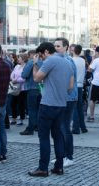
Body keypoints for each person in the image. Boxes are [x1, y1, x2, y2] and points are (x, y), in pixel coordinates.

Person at [28, 42, 73, 177]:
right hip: (61, 104)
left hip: (48, 104)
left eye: (41, 56)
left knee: (44, 137)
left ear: (46, 52)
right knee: (58, 136)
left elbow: (36, 78)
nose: (41, 58)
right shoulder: (67, 62)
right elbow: (70, 87)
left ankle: (43, 168)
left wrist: (35, 64)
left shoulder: (50, 61)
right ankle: (59, 167)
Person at [55, 38, 78, 167]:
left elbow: (69, 81)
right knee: (60, 127)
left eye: (58, 46)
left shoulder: (67, 61)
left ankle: (68, 156)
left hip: (68, 98)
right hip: (63, 97)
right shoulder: (61, 60)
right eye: (55, 46)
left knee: (65, 127)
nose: (56, 48)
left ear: (66, 47)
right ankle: (62, 155)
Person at [20, 50, 41, 136]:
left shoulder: (30, 62)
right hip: (41, 89)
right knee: (38, 109)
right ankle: (37, 126)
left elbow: (24, 75)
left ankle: (30, 128)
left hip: (32, 88)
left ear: (30, 55)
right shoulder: (42, 62)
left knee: (32, 109)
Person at [70, 44, 88, 135]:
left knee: (74, 108)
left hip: (73, 85)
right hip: (80, 85)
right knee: (79, 107)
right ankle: (83, 127)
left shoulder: (71, 60)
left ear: (72, 51)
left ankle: (76, 128)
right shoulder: (82, 60)